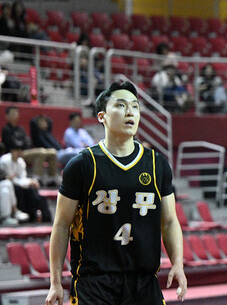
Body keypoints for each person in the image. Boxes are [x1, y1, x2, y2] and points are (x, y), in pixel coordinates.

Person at [45, 80, 187, 305]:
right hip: (94, 282)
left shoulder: (157, 164)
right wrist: (55, 282)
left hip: (144, 281)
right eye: (121, 105)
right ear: (101, 116)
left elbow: (169, 221)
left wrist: (177, 263)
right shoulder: (82, 164)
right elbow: (61, 225)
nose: (130, 111)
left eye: (135, 106)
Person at [2, 106, 60, 186]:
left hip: (24, 151)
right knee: (40, 152)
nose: (15, 115)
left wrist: (22, 146)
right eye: (13, 113)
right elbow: (11, 143)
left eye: (16, 113)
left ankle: (51, 179)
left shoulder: (21, 129)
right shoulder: (6, 129)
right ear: (7, 116)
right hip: (14, 154)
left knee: (53, 152)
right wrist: (20, 147)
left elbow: (28, 141)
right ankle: (37, 178)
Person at [0, 135, 52, 222]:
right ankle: (16, 213)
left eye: (20, 150)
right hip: (9, 185)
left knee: (32, 190)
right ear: (12, 150)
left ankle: (34, 216)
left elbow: (22, 177)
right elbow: (10, 179)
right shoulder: (5, 161)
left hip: (18, 184)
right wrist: (27, 183)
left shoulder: (21, 162)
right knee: (19, 189)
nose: (18, 152)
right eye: (16, 150)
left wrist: (31, 181)